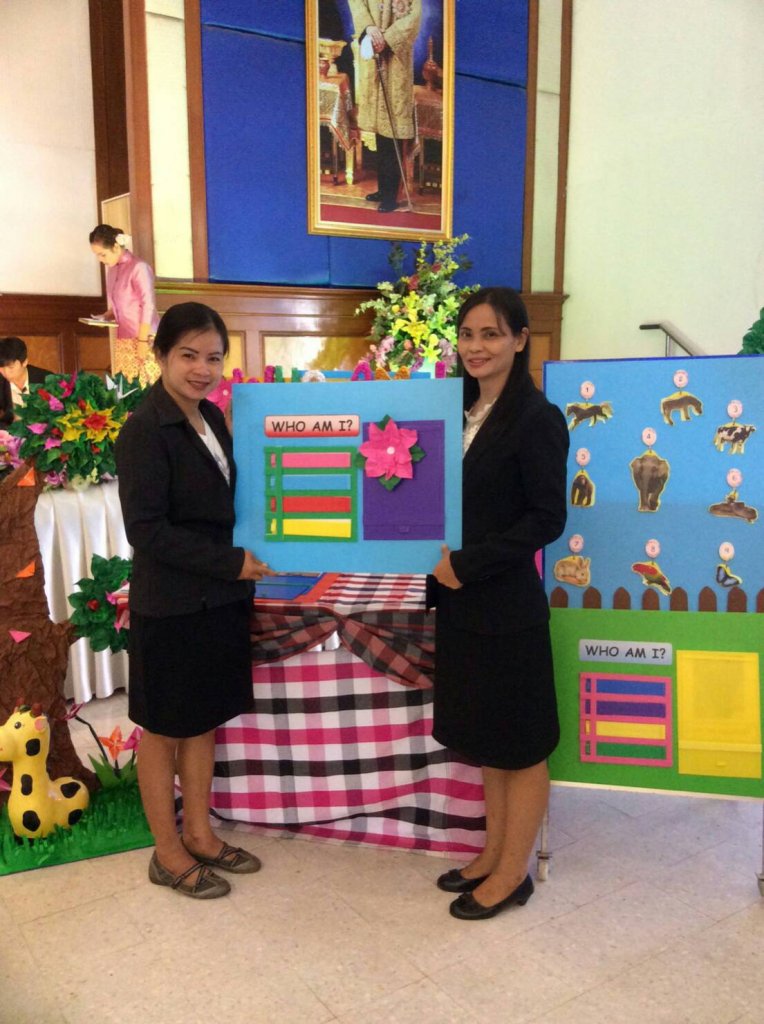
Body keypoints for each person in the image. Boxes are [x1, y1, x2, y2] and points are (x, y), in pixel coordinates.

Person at [114, 301, 274, 899]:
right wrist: (232, 562)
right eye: (189, 355)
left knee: (203, 722)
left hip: (218, 601)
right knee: (163, 730)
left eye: (213, 357)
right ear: (161, 355)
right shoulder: (143, 429)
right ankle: (167, 852)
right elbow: (147, 531)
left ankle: (201, 835)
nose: (203, 369)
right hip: (172, 606)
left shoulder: (210, 417)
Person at [429, 287, 569, 920]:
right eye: (467, 334)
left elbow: (546, 519)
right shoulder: (458, 410)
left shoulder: (537, 418)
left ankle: (514, 874)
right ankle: (492, 853)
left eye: (490, 334)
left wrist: (466, 566)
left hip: (506, 606)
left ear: (519, 339)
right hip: (461, 606)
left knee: (521, 743)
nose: (476, 346)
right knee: (488, 738)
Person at [348, 0, 421, 213]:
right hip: (373, 55)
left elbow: (414, 16)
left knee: (393, 130)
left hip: (397, 61)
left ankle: (392, 196)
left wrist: (387, 39)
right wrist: (369, 28)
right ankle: (383, 189)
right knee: (381, 132)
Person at [89, 223, 160, 387]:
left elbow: (148, 305)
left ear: (115, 247)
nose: (100, 260)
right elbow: (121, 304)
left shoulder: (139, 267)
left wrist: (142, 341)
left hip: (145, 337)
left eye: (102, 254)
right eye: (97, 256)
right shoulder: (113, 270)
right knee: (126, 389)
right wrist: (107, 316)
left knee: (147, 387)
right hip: (124, 339)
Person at [0, 336, 48, 426]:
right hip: (11, 430)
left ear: (25, 362)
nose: (6, 373)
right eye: (1, 367)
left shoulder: (46, 379)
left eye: (11, 367)